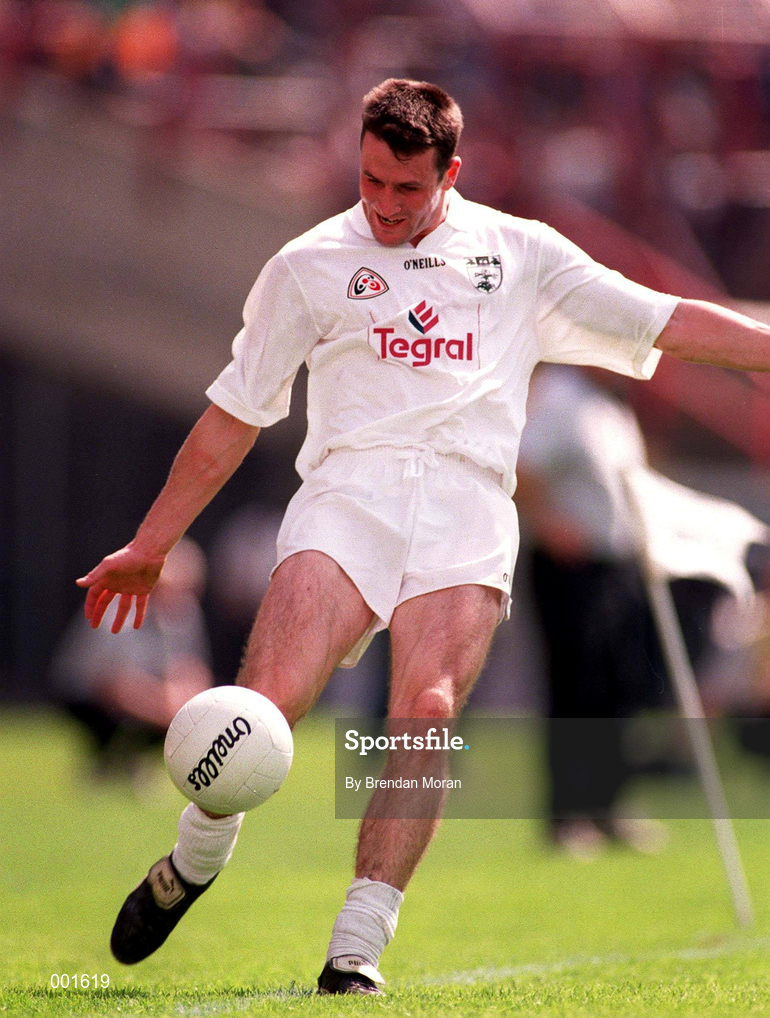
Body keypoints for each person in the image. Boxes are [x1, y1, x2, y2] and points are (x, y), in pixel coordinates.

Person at [76, 78, 770, 995]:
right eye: (370, 182)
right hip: (346, 495)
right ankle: (192, 864)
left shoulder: (520, 253)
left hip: (468, 505)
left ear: (452, 172)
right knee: (264, 712)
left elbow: (664, 321)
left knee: (428, 713)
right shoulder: (306, 264)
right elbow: (231, 417)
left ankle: (355, 947)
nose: (385, 205)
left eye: (408, 189)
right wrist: (151, 542)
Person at [516, 365, 714, 858]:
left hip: (618, 564)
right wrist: (550, 523)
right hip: (572, 565)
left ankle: (609, 805)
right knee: (577, 687)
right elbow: (524, 468)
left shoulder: (612, 406)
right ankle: (568, 815)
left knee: (621, 685)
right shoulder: (561, 396)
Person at [52, 538, 212, 787]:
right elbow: (111, 684)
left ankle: (133, 760)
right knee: (144, 716)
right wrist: (168, 715)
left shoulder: (184, 612)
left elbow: (190, 671)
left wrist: (191, 710)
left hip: (148, 695)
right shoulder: (117, 609)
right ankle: (107, 758)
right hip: (86, 696)